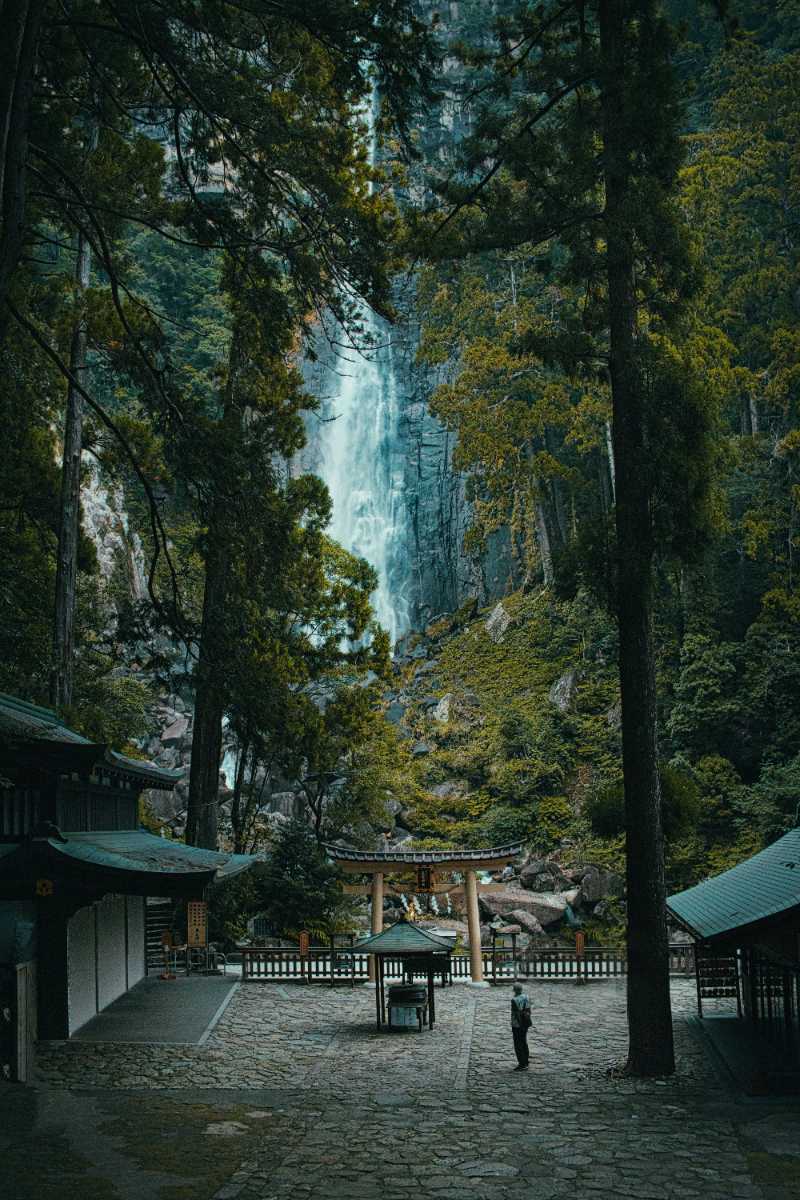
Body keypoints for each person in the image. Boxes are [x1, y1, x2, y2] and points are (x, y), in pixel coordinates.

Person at [510, 982, 531, 1070]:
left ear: (514, 990)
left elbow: (517, 1013)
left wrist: (519, 1024)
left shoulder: (514, 1000)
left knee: (518, 1044)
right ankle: (526, 1061)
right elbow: (528, 1009)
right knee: (524, 1042)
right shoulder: (526, 997)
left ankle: (521, 1064)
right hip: (526, 1022)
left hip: (517, 1024)